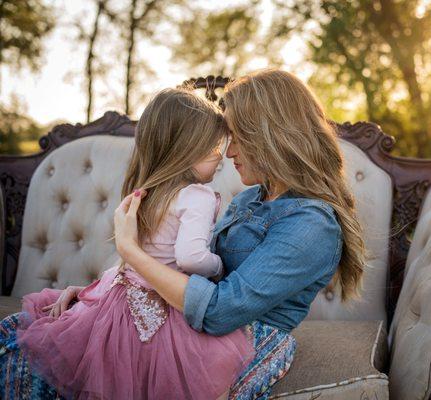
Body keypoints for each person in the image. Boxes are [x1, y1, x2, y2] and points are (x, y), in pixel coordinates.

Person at [0, 68, 366, 400]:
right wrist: (104, 296)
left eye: (238, 138)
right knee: (22, 331)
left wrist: (131, 250)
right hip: (183, 321)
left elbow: (221, 310)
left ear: (272, 137)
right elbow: (184, 267)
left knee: (27, 356)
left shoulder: (311, 225)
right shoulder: (254, 198)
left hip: (236, 343)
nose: (229, 152)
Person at [12, 88, 255, 400]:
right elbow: (192, 259)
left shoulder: (143, 193)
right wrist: (220, 266)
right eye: (213, 148)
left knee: (112, 376)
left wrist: (90, 292)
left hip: (117, 303)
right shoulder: (198, 196)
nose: (221, 157)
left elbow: (131, 260)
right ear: (187, 150)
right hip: (165, 307)